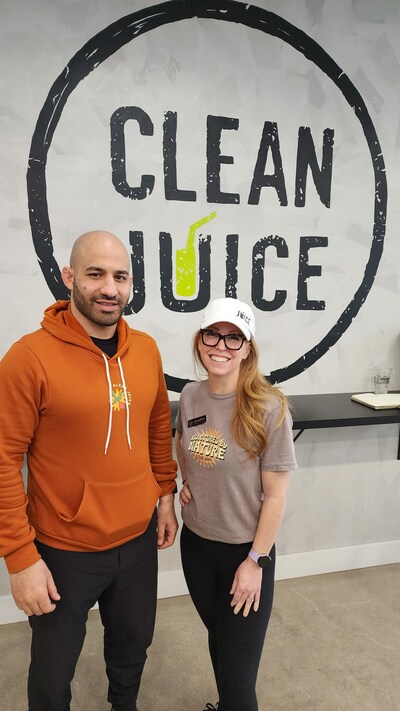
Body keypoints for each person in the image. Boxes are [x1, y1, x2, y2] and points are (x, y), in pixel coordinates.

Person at [0, 230, 178, 711]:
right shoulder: (28, 358)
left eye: (120, 277)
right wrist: (20, 557)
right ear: (69, 277)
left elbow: (156, 428)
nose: (109, 288)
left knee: (132, 647)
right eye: (95, 274)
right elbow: (2, 459)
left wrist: (164, 496)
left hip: (137, 539)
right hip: (63, 549)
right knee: (54, 668)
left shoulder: (146, 350)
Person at [175, 297, 297, 711]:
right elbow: (183, 442)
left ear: (247, 348)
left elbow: (276, 495)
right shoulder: (190, 396)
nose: (221, 346)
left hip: (245, 553)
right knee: (220, 642)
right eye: (213, 335)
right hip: (196, 545)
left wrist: (255, 561)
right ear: (200, 341)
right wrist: (187, 480)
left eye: (233, 338)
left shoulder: (269, 407)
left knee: (240, 677)